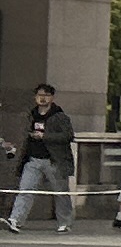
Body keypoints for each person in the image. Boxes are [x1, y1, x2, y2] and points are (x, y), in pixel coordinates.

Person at [10, 81, 72, 233]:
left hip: (53, 160)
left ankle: (64, 222)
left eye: (46, 95)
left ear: (52, 97)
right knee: (25, 190)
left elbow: (68, 135)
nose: (42, 98)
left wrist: (45, 136)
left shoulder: (59, 116)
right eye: (40, 95)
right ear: (35, 97)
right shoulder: (31, 115)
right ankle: (16, 219)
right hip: (33, 159)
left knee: (60, 192)